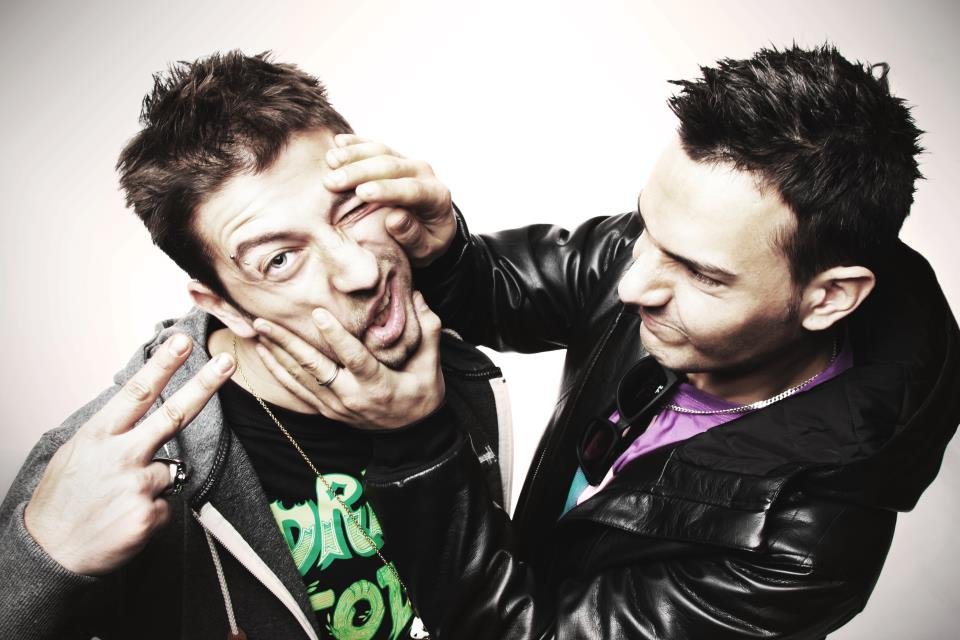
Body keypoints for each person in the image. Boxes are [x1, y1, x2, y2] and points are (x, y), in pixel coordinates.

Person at [273, 45, 960, 638]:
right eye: (645, 227)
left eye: (701, 276)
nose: (634, 285)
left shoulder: (803, 551)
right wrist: (447, 249)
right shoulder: (676, 245)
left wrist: (416, 442)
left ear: (829, 297)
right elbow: (503, 292)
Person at [0, 51, 511, 640]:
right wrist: (42, 564)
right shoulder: (106, 463)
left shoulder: (453, 359)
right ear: (222, 305)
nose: (361, 271)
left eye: (353, 209)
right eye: (281, 259)